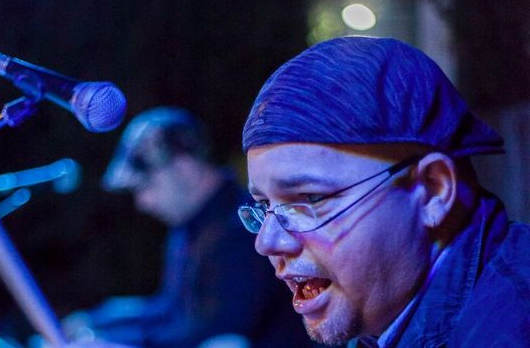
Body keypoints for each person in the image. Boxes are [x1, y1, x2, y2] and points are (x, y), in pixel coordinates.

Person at [237, 36, 530, 347]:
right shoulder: (385, 316)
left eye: (311, 198)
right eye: (263, 204)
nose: (266, 242)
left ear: (433, 190)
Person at [63, 107, 316, 348]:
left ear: (184, 166)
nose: (143, 202)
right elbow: (171, 308)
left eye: (147, 185)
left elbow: (213, 330)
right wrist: (98, 321)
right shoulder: (187, 229)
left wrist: (113, 341)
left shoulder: (243, 227)